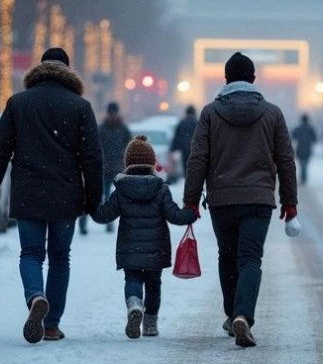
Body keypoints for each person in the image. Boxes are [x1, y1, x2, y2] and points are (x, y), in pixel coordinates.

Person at [0, 47, 103, 343]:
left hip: (28, 193)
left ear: (39, 69)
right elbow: (92, 157)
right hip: (65, 193)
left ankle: (35, 296)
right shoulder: (80, 107)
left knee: (31, 253)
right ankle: (51, 324)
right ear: (68, 72)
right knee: (60, 258)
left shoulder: (18, 104)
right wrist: (93, 197)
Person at [183, 52, 297, 348]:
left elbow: (198, 159)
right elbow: (285, 160)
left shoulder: (209, 113)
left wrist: (191, 200)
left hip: (222, 198)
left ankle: (232, 313)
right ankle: (243, 315)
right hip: (259, 199)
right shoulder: (273, 113)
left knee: (227, 257)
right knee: (250, 259)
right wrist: (290, 201)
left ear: (225, 79)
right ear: (253, 80)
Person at [90, 135, 197, 339]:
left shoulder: (121, 189)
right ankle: (149, 324)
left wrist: (91, 206)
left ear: (127, 163)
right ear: (152, 163)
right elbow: (174, 215)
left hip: (130, 249)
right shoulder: (160, 188)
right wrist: (190, 214)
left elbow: (105, 215)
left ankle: (134, 304)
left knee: (133, 278)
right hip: (156, 250)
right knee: (154, 284)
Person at [79, 102, 130, 235]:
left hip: (112, 167)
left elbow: (128, 146)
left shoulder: (119, 129)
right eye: (111, 113)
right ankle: (84, 224)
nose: (113, 115)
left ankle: (107, 223)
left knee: (107, 197)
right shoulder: (106, 128)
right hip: (101, 168)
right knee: (96, 196)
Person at [171, 105, 197, 178]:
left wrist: (173, 148)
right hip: (195, 149)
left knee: (186, 167)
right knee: (194, 167)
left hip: (184, 149)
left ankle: (187, 180)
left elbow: (177, 136)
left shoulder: (182, 123)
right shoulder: (197, 123)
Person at [291, 114, 317, 185]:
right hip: (307, 149)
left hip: (300, 149)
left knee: (302, 164)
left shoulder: (298, 128)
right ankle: (304, 178)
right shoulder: (310, 129)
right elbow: (315, 139)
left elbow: (293, 136)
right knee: (305, 164)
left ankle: (303, 178)